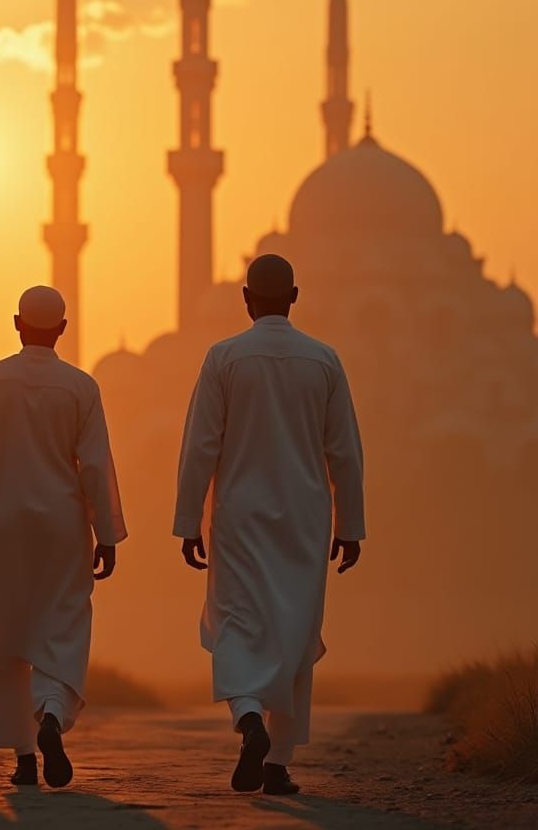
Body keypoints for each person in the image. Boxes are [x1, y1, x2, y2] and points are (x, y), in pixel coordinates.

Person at [174, 254, 365, 795]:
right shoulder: (323, 360)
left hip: (239, 515)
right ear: (295, 297)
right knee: (294, 630)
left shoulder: (224, 358)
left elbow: (200, 448)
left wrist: (189, 521)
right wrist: (350, 523)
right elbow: (344, 452)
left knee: (236, 621)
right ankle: (277, 764)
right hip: (305, 517)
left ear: (246, 298)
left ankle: (249, 717)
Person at [0, 286, 126, 789]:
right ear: (62, 328)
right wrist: (106, 532)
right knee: (62, 623)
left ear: (17, 323)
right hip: (62, 524)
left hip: (1, 521)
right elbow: (96, 467)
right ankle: (53, 714)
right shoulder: (81, 387)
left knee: (6, 632)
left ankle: (23, 756)